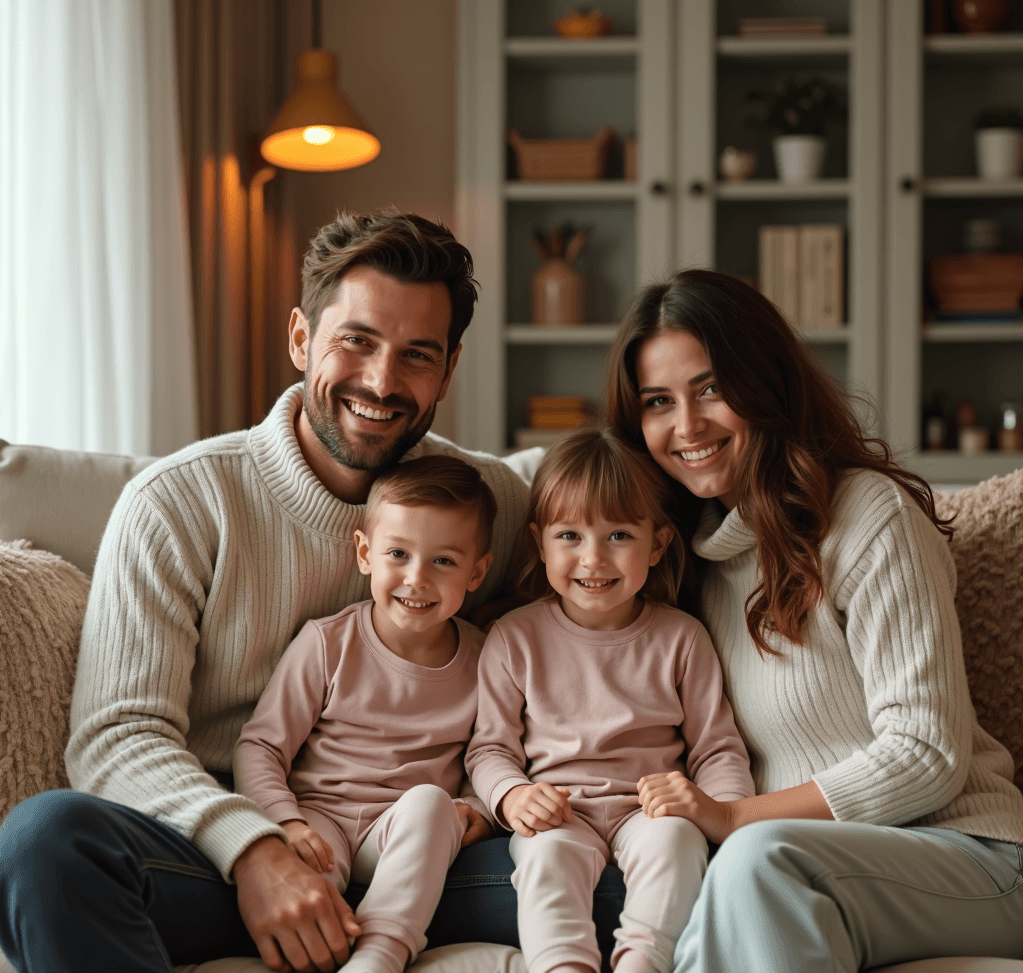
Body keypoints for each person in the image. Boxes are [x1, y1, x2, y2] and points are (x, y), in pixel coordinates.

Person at [0, 212, 530, 973]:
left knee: (614, 878)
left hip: (419, 856)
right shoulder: (180, 502)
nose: (382, 381)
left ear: (447, 371)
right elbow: (115, 735)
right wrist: (255, 850)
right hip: (217, 860)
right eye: (356, 340)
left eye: (416, 354)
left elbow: (594, 587)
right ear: (298, 338)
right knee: (46, 838)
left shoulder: (493, 504)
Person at [603, 267, 1023, 972]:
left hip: (970, 856)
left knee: (756, 861)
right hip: (795, 869)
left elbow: (927, 752)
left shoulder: (867, 517)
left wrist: (734, 818)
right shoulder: (684, 560)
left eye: (710, 387)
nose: (686, 426)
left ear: (766, 383)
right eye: (656, 401)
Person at [466, 426, 754, 973]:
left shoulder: (682, 638)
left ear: (658, 543)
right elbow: (488, 749)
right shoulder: (512, 637)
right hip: (557, 808)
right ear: (539, 542)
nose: (593, 559)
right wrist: (512, 797)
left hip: (647, 808)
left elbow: (717, 748)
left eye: (618, 535)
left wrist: (719, 814)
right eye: (569, 536)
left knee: (675, 844)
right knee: (546, 858)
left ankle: (644, 962)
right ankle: (563, 966)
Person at [234, 455, 498, 973]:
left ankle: (380, 953)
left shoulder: (489, 659)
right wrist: (284, 822)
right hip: (319, 818)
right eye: (397, 553)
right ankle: (317, 942)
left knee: (430, 802)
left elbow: (497, 752)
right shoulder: (327, 643)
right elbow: (261, 746)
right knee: (306, 863)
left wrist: (477, 810)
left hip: (404, 832)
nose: (416, 578)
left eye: (443, 561)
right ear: (364, 553)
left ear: (478, 572)